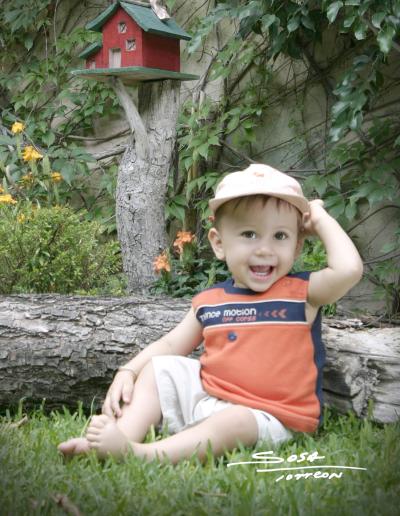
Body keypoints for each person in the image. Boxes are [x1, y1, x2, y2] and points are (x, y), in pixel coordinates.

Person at [58, 163, 363, 463]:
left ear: (297, 247)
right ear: (219, 244)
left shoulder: (302, 294)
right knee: (159, 368)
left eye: (280, 236)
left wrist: (320, 218)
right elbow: (169, 345)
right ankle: (121, 437)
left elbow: (349, 269)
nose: (265, 249)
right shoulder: (210, 301)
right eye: (250, 234)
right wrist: (129, 370)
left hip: (270, 417)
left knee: (236, 421)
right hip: (211, 399)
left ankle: (143, 455)